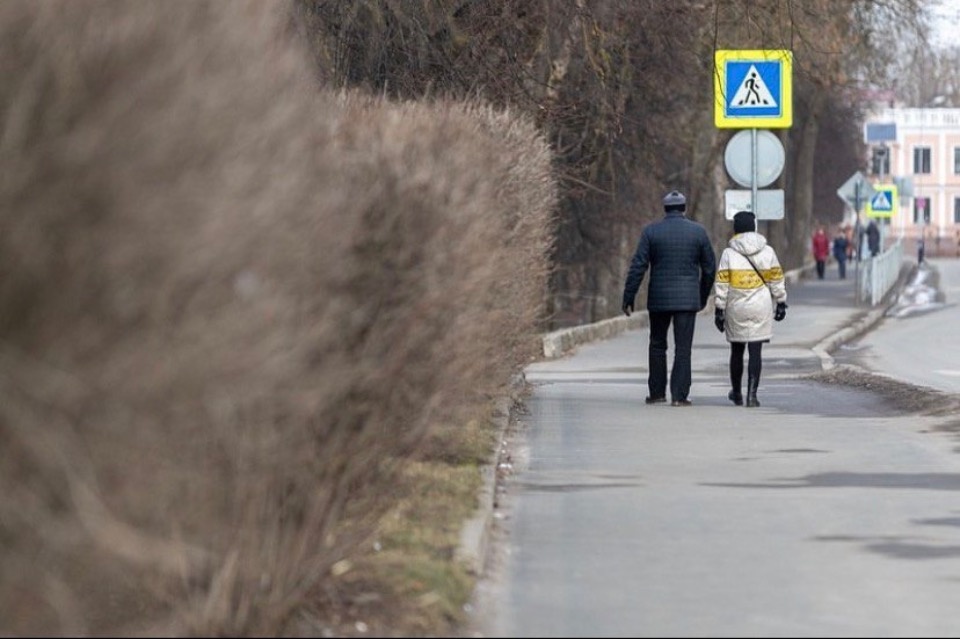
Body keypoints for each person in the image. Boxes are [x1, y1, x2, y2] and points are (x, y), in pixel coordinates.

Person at [621, 190, 716, 407]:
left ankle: (657, 393)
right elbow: (709, 268)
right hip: (687, 300)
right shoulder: (698, 232)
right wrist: (701, 295)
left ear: (665, 209)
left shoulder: (651, 232)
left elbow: (638, 266)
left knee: (657, 344)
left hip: (659, 299)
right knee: (683, 347)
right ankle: (680, 395)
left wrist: (629, 296)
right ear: (684, 208)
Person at [713, 211, 788, 408]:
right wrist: (780, 301)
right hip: (760, 307)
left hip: (736, 306)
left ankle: (736, 393)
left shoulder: (729, 254)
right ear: (754, 227)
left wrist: (719, 308)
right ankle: (752, 396)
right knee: (756, 351)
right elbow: (776, 279)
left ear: (736, 229)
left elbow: (721, 283)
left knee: (736, 351)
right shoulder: (768, 252)